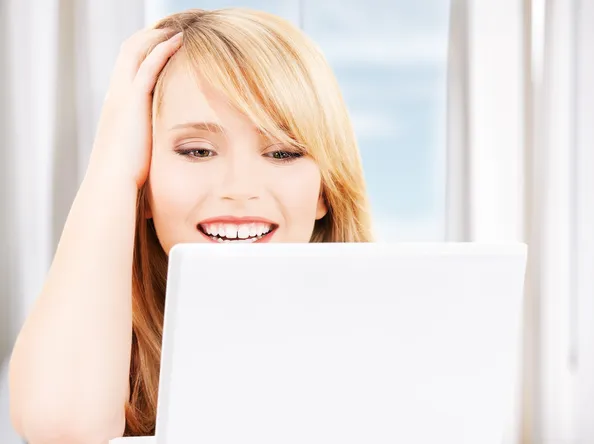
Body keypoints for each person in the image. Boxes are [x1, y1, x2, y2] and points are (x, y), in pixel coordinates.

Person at [8, 7, 373, 443]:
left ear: (323, 192)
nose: (240, 188)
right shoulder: (85, 348)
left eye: (282, 153)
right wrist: (112, 169)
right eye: (197, 151)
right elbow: (63, 430)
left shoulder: (390, 342)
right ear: (144, 181)